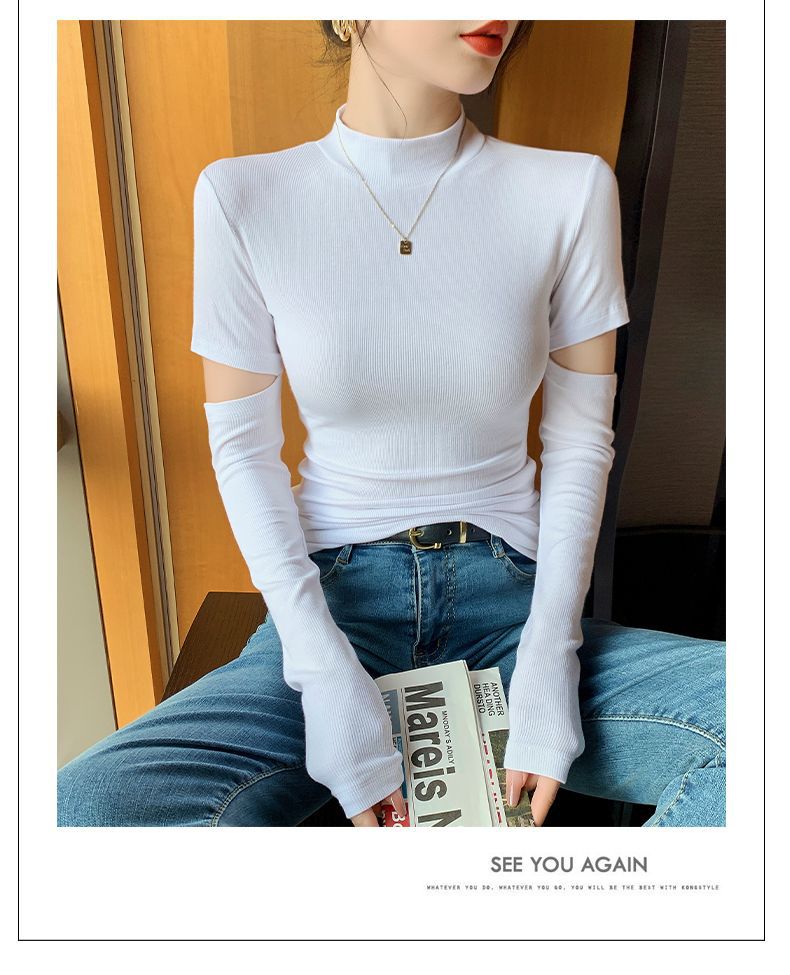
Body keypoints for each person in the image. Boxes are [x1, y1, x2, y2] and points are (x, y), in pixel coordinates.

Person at [57, 20, 725, 828]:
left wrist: (552, 654)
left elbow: (582, 440)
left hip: (516, 602)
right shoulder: (242, 197)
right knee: (84, 811)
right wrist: (321, 671)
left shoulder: (572, 190)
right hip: (335, 603)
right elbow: (243, 450)